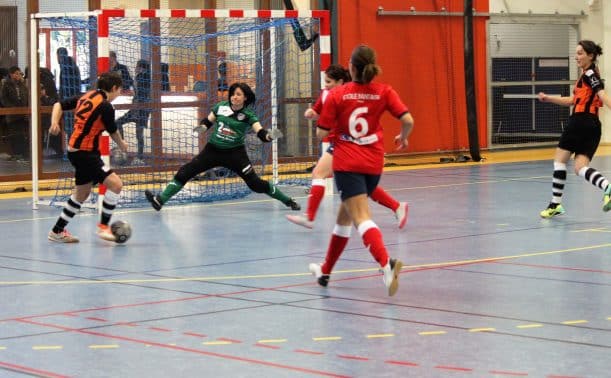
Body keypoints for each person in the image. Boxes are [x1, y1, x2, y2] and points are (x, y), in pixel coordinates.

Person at [308, 45, 414, 296]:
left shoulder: (338, 95)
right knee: (344, 219)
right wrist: (404, 137)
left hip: (347, 163)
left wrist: (326, 120)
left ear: (351, 68)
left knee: (361, 218)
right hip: (374, 162)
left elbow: (321, 133)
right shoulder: (384, 91)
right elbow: (408, 120)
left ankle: (385, 264)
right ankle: (325, 272)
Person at [144, 82, 301, 212]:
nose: (234, 96)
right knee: (185, 172)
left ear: (245, 97)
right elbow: (208, 121)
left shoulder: (248, 115)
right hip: (213, 150)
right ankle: (160, 200)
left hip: (236, 154)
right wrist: (202, 128)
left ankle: (288, 201)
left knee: (256, 184)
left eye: (238, 94)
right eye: (233, 93)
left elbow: (261, 133)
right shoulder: (220, 107)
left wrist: (270, 135)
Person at [286, 64, 408, 229]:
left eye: (329, 81)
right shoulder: (326, 94)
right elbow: (318, 112)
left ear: (340, 81)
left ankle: (310, 216)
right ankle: (396, 206)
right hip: (340, 143)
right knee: (363, 187)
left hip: (347, 145)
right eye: (325, 81)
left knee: (319, 173)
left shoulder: (347, 96)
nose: (326, 85)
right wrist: (312, 114)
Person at [47, 72, 128, 243]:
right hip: (85, 153)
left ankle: (57, 231)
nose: (119, 93)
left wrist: (54, 122)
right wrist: (122, 145)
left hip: (76, 150)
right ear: (113, 88)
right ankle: (104, 228)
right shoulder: (106, 106)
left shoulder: (88, 96)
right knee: (116, 184)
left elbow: (58, 105)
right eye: (120, 90)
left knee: (81, 194)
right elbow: (113, 131)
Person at [538, 40, 611, 218]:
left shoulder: (590, 74)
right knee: (580, 167)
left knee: (559, 161)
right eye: (576, 53)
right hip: (593, 126)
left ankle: (555, 204)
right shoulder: (585, 76)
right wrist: (548, 98)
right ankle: (606, 187)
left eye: (580, 53)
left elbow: (602, 94)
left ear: (590, 56)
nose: (576, 56)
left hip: (580, 122)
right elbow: (572, 101)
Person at [115, 59, 151, 164]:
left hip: (138, 108)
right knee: (139, 134)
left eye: (137, 66)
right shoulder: (148, 77)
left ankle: (124, 150)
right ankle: (139, 157)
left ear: (141, 68)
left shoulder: (141, 77)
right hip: (142, 109)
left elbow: (140, 93)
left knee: (118, 123)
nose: (135, 68)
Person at [0, 66, 29, 161]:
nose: (18, 75)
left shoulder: (22, 84)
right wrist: (11, 108)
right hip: (12, 114)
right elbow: (4, 99)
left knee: (23, 134)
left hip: (23, 113)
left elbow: (26, 96)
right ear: (11, 74)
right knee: (15, 134)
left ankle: (24, 154)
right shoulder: (6, 84)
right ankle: (17, 154)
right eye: (16, 73)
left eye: (19, 73)